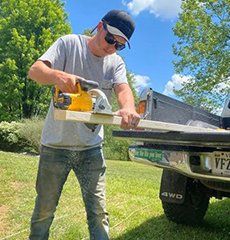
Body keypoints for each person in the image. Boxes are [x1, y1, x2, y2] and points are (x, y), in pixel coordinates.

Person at [28, 9, 140, 240]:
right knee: (44, 211)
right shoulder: (69, 43)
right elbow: (35, 72)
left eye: (118, 45)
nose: (111, 47)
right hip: (54, 146)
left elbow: (123, 89)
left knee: (98, 213)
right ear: (100, 26)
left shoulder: (115, 62)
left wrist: (128, 108)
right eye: (110, 39)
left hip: (91, 149)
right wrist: (58, 76)